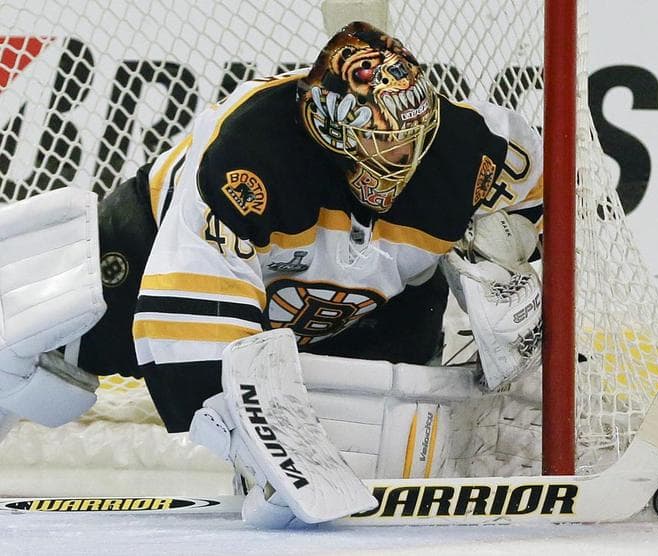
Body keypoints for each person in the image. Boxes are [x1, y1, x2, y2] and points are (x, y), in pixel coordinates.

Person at [0, 21, 543, 525]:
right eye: (382, 143)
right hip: (152, 259)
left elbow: (537, 193)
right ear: (330, 129)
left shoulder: (475, 147)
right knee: (24, 338)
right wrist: (263, 446)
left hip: (359, 310)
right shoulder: (248, 153)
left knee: (394, 453)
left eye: (411, 137)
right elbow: (189, 329)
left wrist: (502, 272)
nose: (402, 157)